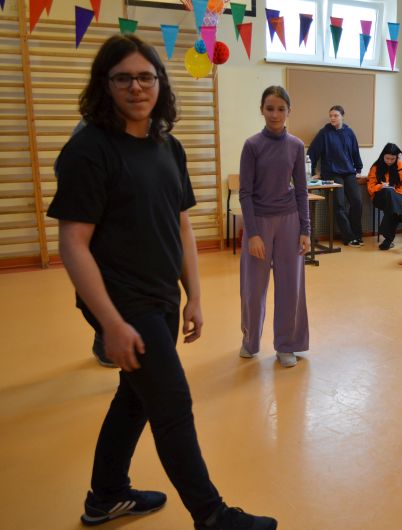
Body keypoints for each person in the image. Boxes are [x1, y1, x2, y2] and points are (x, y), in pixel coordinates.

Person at [46, 35, 276, 530]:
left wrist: (194, 295)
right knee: (171, 403)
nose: (136, 87)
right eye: (123, 78)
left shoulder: (167, 146)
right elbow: (73, 244)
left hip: (162, 296)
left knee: (135, 397)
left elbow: (182, 224)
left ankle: (106, 495)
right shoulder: (89, 150)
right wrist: (110, 322)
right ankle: (212, 516)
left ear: (160, 83)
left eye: (146, 77)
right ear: (105, 84)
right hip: (123, 302)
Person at [238, 86, 310, 368]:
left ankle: (286, 344)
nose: (275, 114)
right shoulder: (252, 145)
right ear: (262, 110)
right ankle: (250, 340)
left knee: (290, 287)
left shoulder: (296, 145)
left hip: (290, 222)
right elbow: (245, 193)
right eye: (270, 108)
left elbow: (301, 190)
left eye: (281, 109)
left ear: (289, 111)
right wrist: (253, 234)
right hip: (259, 223)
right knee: (253, 288)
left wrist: (305, 230)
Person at [307, 104, 364, 246]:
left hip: (349, 172)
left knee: (357, 202)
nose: (332, 118)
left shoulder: (349, 132)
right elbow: (312, 153)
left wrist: (358, 168)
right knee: (339, 205)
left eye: (336, 115)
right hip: (332, 173)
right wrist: (312, 172)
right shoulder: (324, 133)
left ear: (342, 117)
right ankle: (349, 237)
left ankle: (357, 235)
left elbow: (355, 151)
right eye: (331, 116)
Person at [366, 142, 402, 250]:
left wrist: (399, 164)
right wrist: (381, 186)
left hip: (400, 196)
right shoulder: (376, 167)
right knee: (388, 192)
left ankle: (388, 239)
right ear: (382, 156)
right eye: (387, 158)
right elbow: (370, 188)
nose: (390, 161)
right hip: (380, 197)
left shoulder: (400, 165)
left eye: (393, 159)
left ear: (397, 158)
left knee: (392, 205)